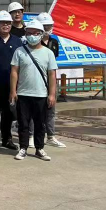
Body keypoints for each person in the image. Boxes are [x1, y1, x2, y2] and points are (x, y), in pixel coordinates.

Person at [10, 19, 58, 161]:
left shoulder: (48, 53)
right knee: (23, 123)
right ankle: (23, 148)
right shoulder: (19, 51)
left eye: (35, 33)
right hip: (23, 94)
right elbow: (14, 72)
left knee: (40, 123)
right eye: (29, 33)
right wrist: (13, 91)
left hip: (41, 94)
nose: (32, 36)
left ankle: (39, 148)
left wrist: (52, 94)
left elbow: (52, 75)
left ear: (41, 34)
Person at [0, 10, 20, 151]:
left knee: (8, 113)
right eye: (3, 23)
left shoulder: (17, 41)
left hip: (11, 84)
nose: (6, 25)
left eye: (8, 23)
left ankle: (7, 139)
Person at [35, 12, 65, 149]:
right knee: (35, 109)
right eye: (45, 26)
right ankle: (32, 136)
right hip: (36, 80)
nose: (47, 28)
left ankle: (51, 136)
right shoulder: (34, 42)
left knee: (51, 108)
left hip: (50, 79)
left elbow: (53, 63)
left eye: (49, 25)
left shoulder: (54, 42)